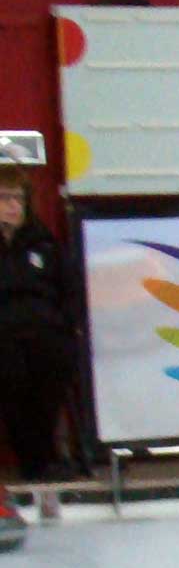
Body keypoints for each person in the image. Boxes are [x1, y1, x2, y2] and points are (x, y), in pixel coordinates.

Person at [0, 164, 74, 482]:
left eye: (18, 198)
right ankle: (34, 461)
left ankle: (49, 459)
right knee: (12, 376)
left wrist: (65, 323)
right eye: (5, 198)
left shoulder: (43, 242)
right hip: (5, 334)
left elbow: (68, 290)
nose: (13, 206)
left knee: (52, 366)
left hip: (46, 332)